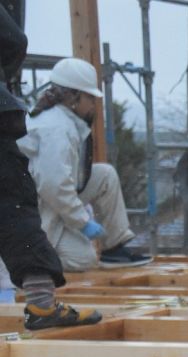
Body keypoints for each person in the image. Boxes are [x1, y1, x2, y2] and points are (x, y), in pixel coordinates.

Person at [0, 8, 101, 329]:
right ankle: (42, 304)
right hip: (45, 212)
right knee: (13, 204)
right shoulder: (57, 127)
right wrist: (83, 223)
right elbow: (12, 40)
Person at [17, 58, 152, 271]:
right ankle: (23, 259)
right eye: (90, 97)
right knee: (83, 259)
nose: (93, 104)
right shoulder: (57, 129)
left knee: (105, 175)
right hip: (37, 213)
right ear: (73, 96)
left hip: (46, 202)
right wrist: (82, 221)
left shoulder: (59, 119)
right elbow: (54, 187)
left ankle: (114, 247)